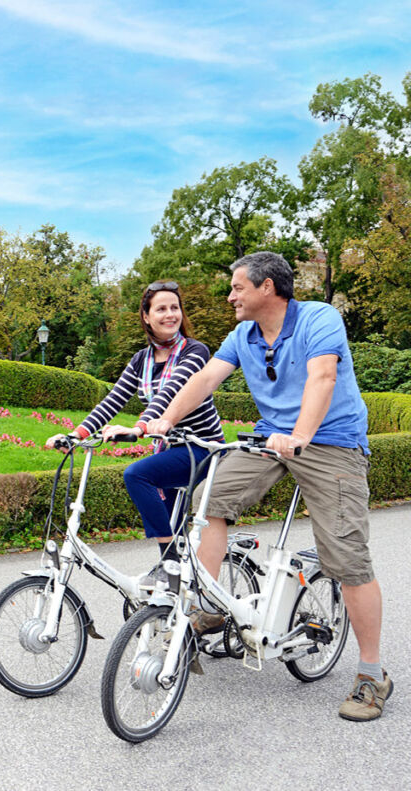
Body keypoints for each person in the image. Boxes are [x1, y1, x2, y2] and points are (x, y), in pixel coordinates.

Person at [147, 251, 388, 722]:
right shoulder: (244, 335)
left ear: (267, 289)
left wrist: (300, 437)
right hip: (272, 440)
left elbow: (323, 376)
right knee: (208, 497)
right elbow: (205, 378)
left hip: (331, 442)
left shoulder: (319, 319)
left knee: (347, 557)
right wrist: (164, 420)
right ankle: (212, 606)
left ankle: (371, 674)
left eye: (238, 287)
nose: (231, 296)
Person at [46, 281, 224, 584]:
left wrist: (140, 427)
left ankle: (168, 565)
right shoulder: (141, 360)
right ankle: (174, 591)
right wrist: (76, 435)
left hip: (201, 447)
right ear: (146, 316)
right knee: (174, 529)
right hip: (171, 450)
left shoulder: (195, 351)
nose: (170, 315)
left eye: (175, 308)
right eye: (161, 309)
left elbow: (171, 392)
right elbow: (112, 399)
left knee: (137, 475)